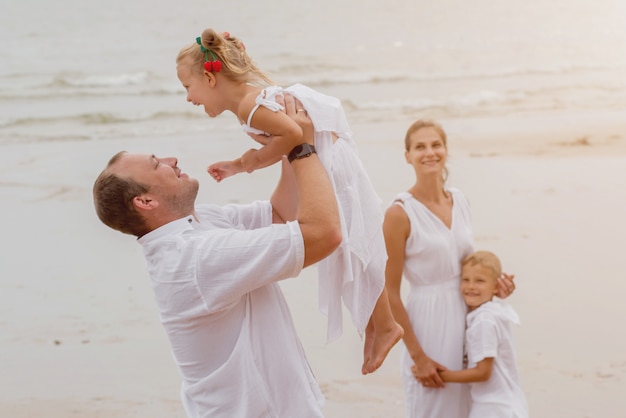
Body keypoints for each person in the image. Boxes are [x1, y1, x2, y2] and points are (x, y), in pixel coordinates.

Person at [92, 95, 342, 417]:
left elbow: (280, 215)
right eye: (157, 164)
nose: (172, 160)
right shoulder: (193, 258)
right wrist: (301, 149)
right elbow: (323, 234)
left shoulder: (200, 224)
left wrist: (284, 142)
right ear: (145, 202)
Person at [175, 28, 403, 374]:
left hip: (328, 162)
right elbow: (285, 140)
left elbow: (294, 135)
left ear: (208, 78)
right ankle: (376, 323)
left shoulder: (250, 107)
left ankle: (386, 325)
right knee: (351, 247)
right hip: (323, 159)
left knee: (354, 244)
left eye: (187, 88)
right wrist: (243, 165)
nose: (188, 98)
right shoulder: (248, 103)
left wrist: (247, 162)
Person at [383, 119, 516, 418]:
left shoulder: (461, 200)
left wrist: (495, 285)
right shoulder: (399, 213)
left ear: (445, 150)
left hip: (470, 317)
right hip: (428, 321)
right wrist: (419, 356)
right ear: (407, 156)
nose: (429, 152)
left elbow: (468, 263)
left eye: (436, 145)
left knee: (474, 406)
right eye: (420, 147)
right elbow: (388, 292)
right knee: (434, 406)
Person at [428, 250, 529, 418]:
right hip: (505, 402)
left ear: (496, 287)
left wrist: (441, 376)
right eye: (465, 280)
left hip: (494, 407)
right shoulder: (494, 312)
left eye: (480, 281)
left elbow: (483, 372)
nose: (471, 287)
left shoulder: (484, 321)